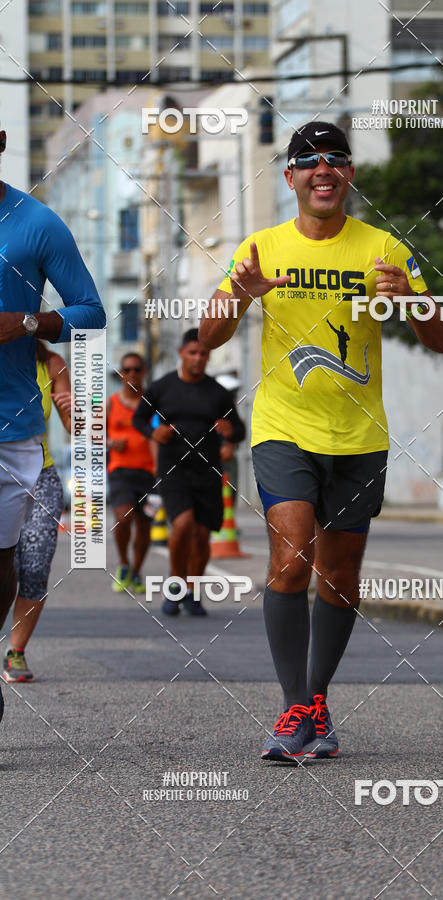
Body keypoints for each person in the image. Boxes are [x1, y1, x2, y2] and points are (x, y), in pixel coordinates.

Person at [200, 120, 443, 761]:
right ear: (289, 178)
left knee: (340, 577)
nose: (322, 169)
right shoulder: (260, 247)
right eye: (307, 160)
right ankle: (292, 711)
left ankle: (316, 700)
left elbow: (440, 338)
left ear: (349, 175)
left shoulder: (385, 249)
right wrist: (236, 293)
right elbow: (208, 337)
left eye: (334, 158)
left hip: (360, 436)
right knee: (290, 557)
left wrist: (412, 302)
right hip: (284, 427)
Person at [0, 127, 105, 718]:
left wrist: (30, 323)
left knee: (13, 560)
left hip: (10, 429)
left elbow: (91, 311)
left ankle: (8, 651)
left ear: (0, 139)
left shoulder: (36, 222)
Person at [132, 330, 246, 617]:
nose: (198, 359)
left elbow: (240, 430)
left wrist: (231, 436)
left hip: (208, 471)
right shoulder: (161, 388)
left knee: (201, 535)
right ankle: (175, 585)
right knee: (182, 525)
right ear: (181, 354)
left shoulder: (217, 393)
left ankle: (192, 592)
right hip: (174, 469)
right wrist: (154, 432)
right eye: (192, 353)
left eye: (203, 354)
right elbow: (139, 419)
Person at [2, 342, 71, 682]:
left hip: (39, 476)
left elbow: (77, 428)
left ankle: (15, 651)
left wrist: (77, 411)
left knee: (35, 563)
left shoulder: (52, 364)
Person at [108, 352, 156, 593]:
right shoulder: (111, 403)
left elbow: (162, 433)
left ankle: (136, 572)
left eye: (137, 369)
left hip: (149, 473)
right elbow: (92, 433)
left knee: (145, 526)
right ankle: (124, 564)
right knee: (123, 518)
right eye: (127, 370)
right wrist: (109, 443)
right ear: (121, 374)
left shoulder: (152, 404)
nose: (133, 374)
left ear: (144, 371)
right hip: (120, 471)